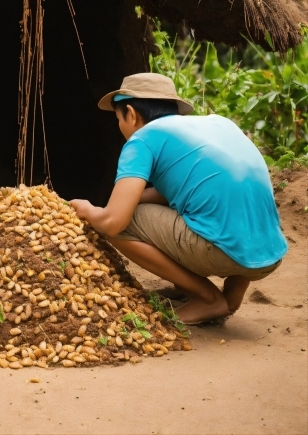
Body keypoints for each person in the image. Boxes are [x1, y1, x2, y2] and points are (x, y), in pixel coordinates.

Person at [70, 72, 287, 325]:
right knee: (229, 208)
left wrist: (88, 210)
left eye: (118, 118)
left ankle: (208, 299)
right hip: (268, 255)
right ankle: (232, 295)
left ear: (131, 113)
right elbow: (189, 191)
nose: (120, 127)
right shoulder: (220, 124)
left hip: (222, 252)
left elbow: (113, 223)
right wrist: (133, 199)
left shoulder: (143, 138)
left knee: (124, 224)